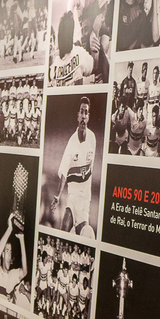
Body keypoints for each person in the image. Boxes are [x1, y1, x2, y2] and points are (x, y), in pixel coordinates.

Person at [53, 97, 98, 238]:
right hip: (72, 198)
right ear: (77, 115)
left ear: (88, 116)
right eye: (81, 112)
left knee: (83, 237)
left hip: (85, 201)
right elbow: (64, 173)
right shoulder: (71, 143)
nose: (84, 116)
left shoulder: (92, 139)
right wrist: (58, 195)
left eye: (86, 112)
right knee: (63, 232)